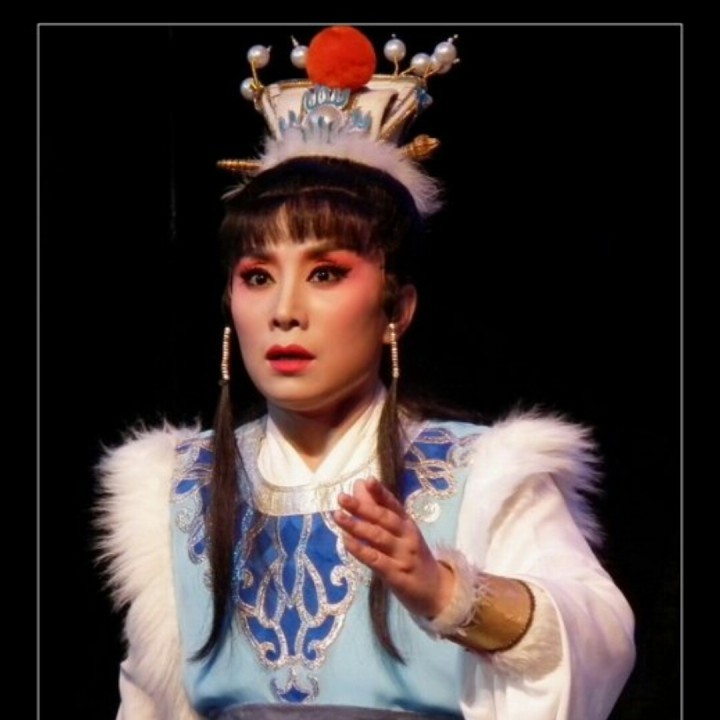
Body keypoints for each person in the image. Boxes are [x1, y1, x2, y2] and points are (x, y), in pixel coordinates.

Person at [96, 25, 636, 720]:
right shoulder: (180, 489)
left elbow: (598, 637)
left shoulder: (483, 477)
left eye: (326, 273)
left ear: (396, 308)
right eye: (258, 276)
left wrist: (450, 595)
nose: (285, 311)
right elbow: (148, 702)